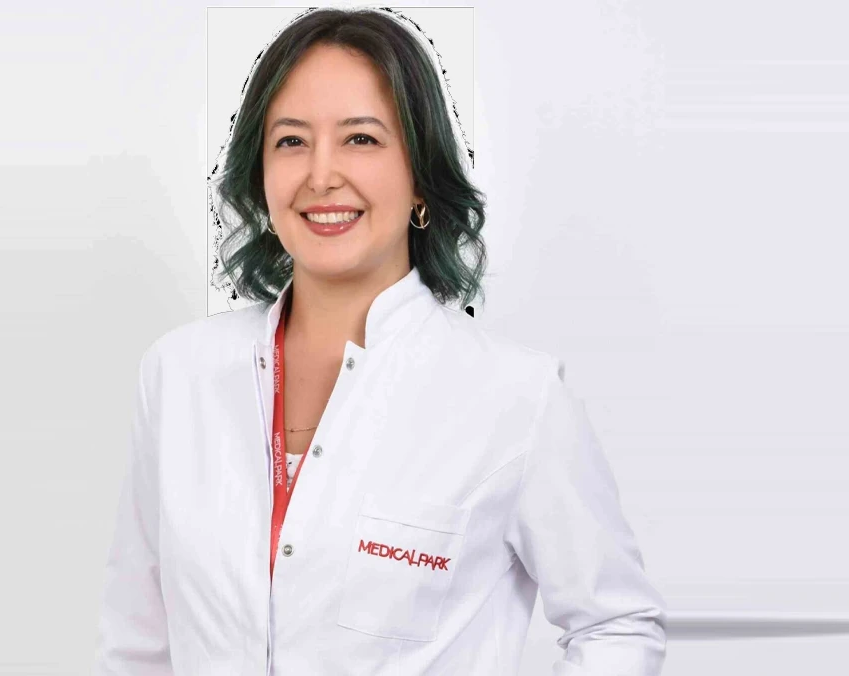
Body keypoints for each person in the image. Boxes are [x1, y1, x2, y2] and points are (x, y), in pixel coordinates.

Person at [94, 7, 667, 675]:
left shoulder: (515, 398)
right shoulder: (179, 374)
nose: (321, 175)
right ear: (260, 174)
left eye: (361, 139)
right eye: (291, 141)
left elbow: (616, 624)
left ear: (421, 178)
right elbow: (137, 642)